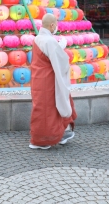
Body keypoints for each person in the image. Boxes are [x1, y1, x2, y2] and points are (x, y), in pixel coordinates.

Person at [29, 13, 76, 150]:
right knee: (47, 110)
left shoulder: (39, 38)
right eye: (56, 24)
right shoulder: (49, 41)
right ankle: (42, 140)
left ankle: (56, 134)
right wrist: (61, 48)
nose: (57, 26)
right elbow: (61, 61)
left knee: (43, 108)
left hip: (39, 78)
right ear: (52, 25)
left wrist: (58, 48)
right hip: (48, 80)